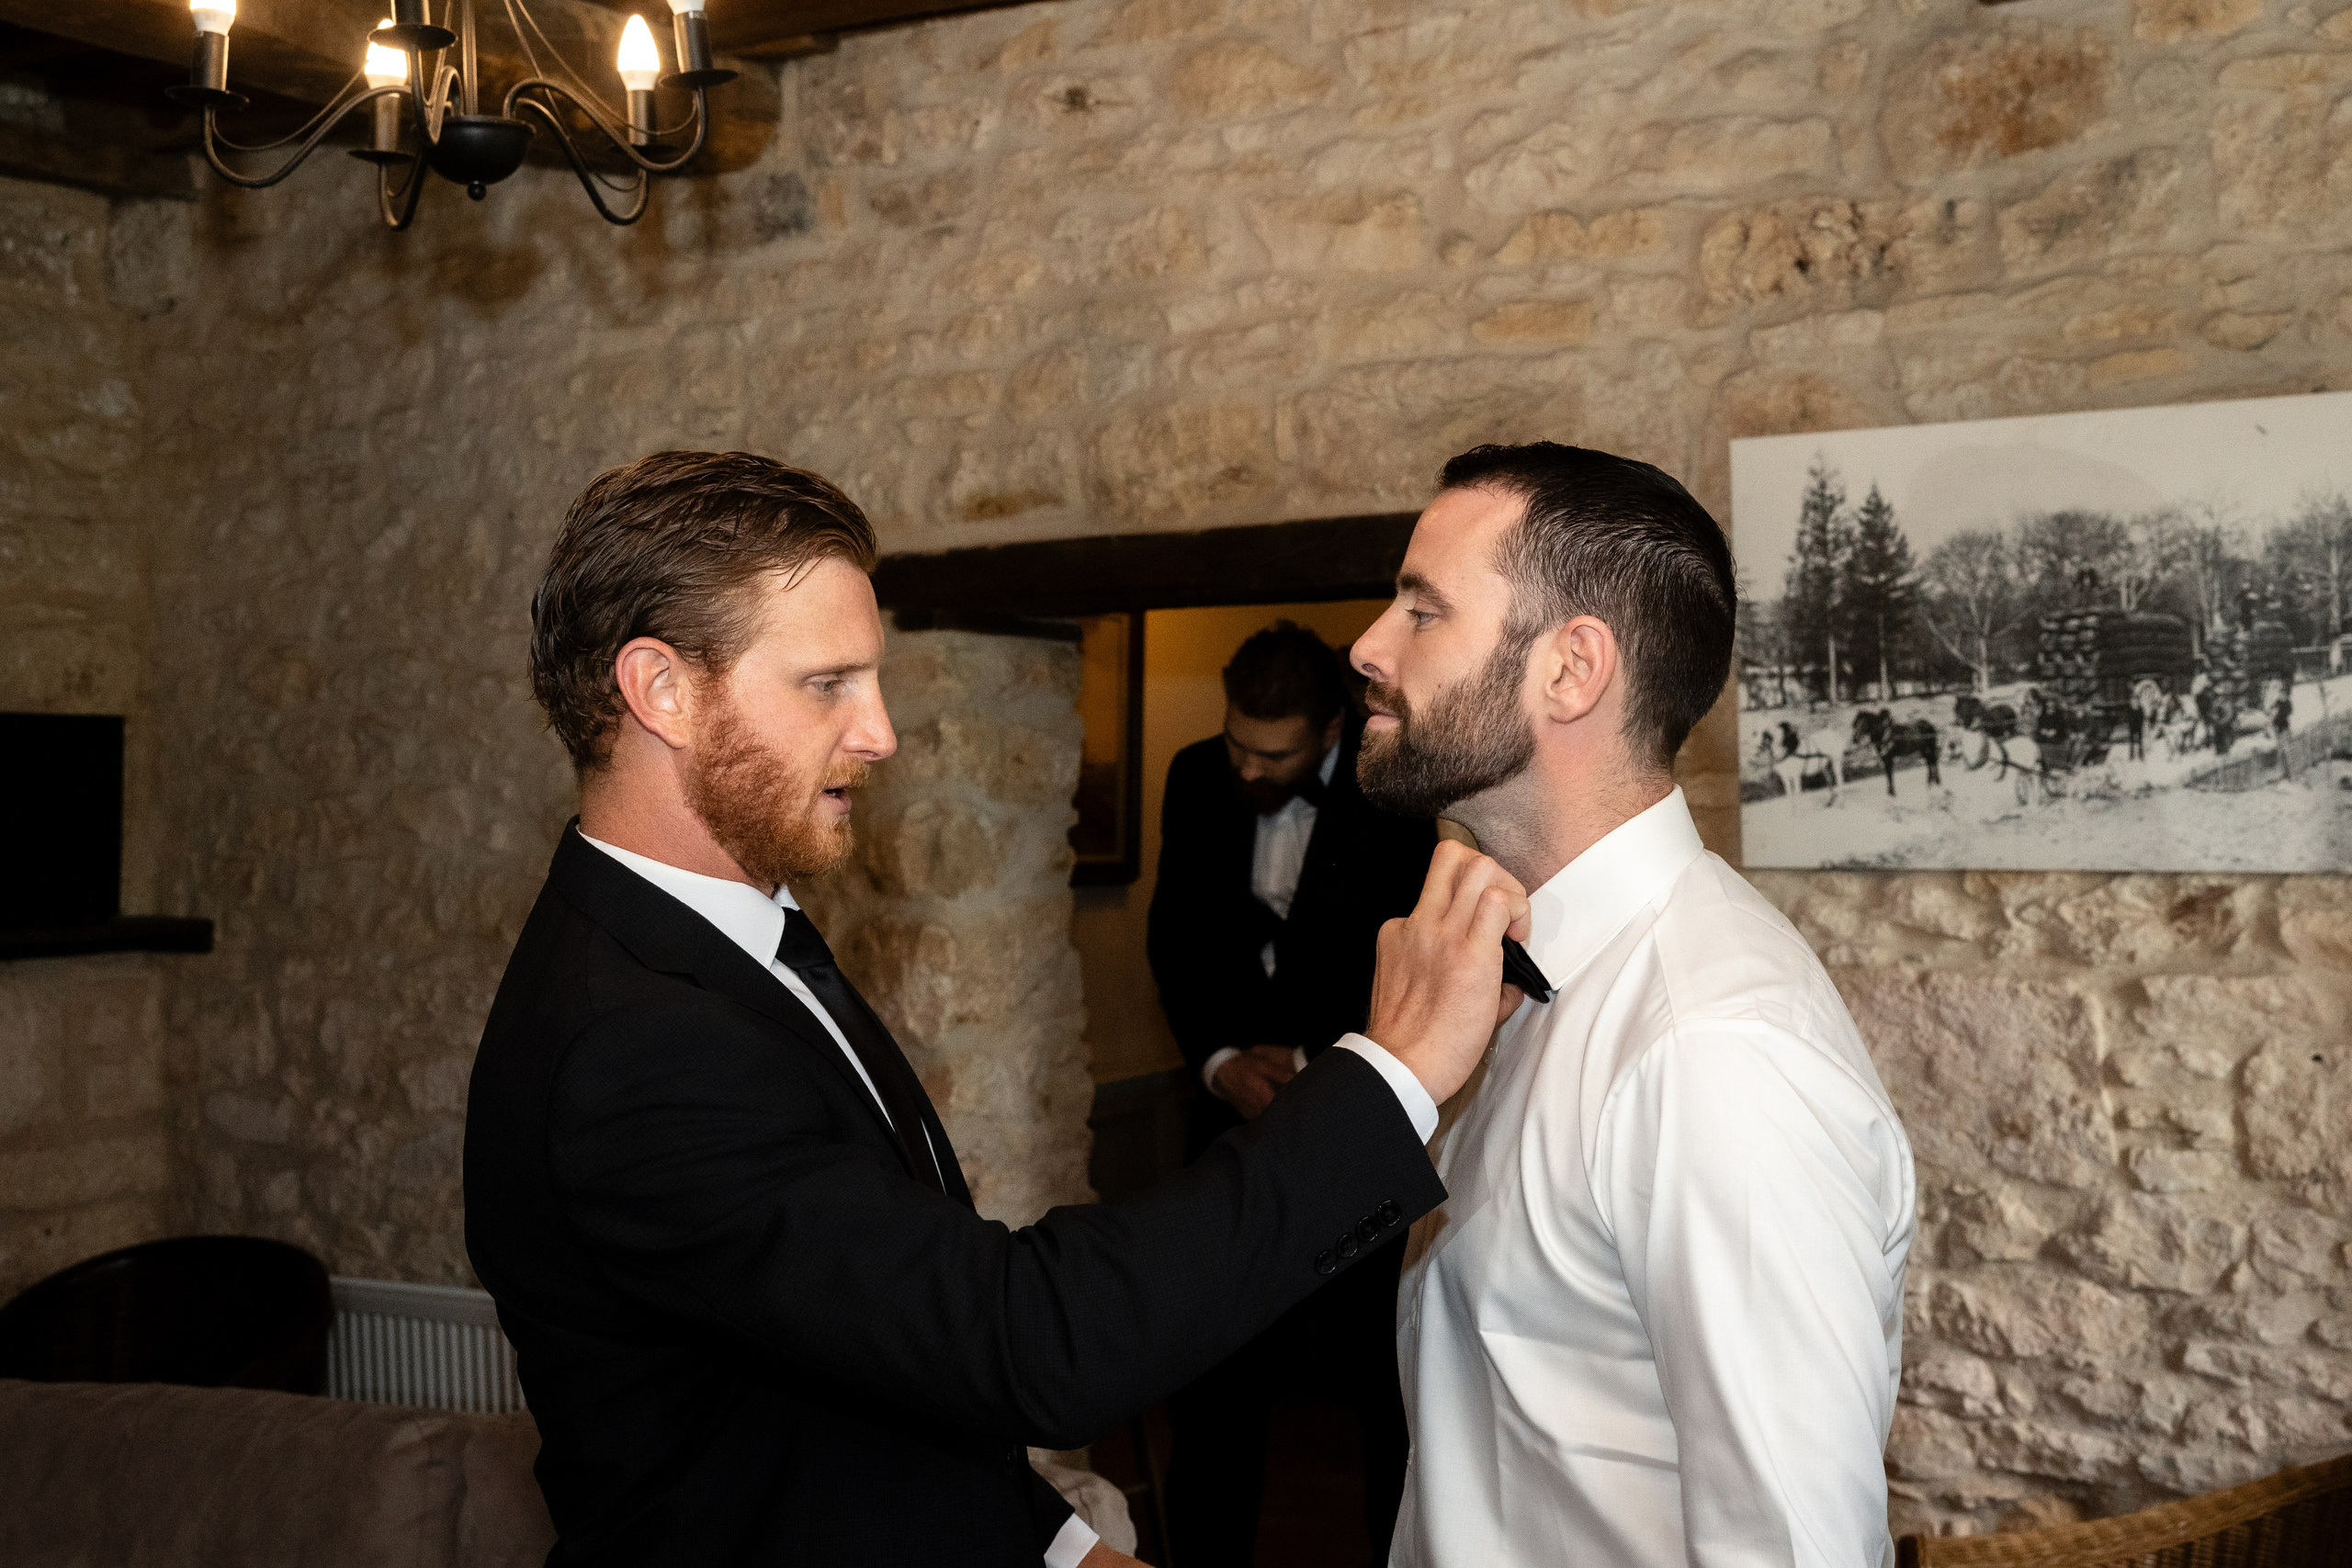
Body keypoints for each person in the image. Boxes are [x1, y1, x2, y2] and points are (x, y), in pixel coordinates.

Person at [462, 450, 1529, 1568]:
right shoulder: (635, 1044)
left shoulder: (722, 944)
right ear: (660, 690)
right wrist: (1392, 1069)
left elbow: (871, 1370)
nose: (879, 731)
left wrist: (1062, 1547)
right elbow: (1024, 1339)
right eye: (826, 683)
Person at [1350, 443, 1917, 1568]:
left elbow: (1789, 1546)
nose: (1367, 645)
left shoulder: (1709, 1052)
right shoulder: (1501, 971)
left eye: (1422, 610)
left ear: (1571, 670)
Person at [1145, 622, 1437, 1565]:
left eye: (1270, 754)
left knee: (1380, 1381)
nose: (1244, 767)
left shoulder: (1400, 790)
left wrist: (1319, 1066)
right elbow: (1173, 936)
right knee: (1212, 1374)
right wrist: (1222, 1060)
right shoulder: (1195, 775)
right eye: (1234, 741)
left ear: (1328, 733)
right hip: (1227, 1128)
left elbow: (1411, 957)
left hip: (1358, 1130)